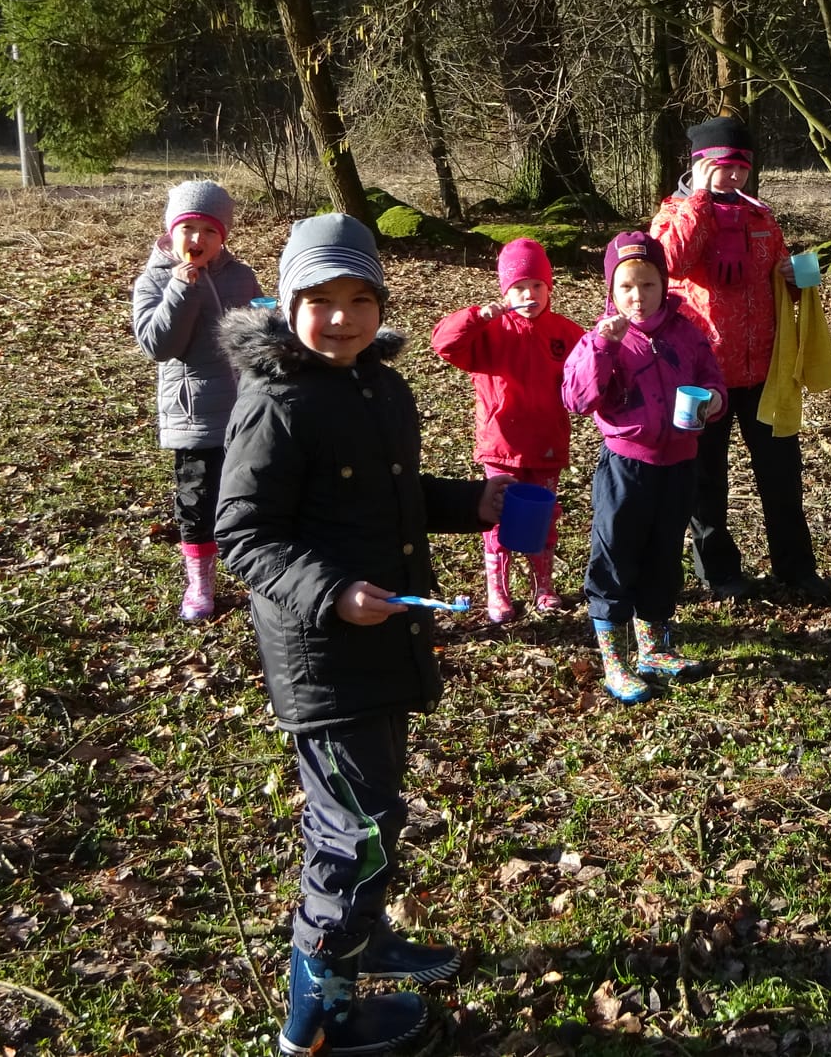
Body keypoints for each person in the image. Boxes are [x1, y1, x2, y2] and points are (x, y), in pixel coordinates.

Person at [215, 214, 511, 1056]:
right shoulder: (276, 403)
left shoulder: (380, 387)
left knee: (372, 804)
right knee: (360, 827)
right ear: (288, 304)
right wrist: (333, 592)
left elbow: (392, 495)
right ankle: (316, 1020)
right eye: (321, 300)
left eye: (359, 298)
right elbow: (244, 532)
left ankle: (364, 936)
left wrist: (470, 503)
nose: (342, 317)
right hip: (324, 655)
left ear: (381, 303)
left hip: (385, 639)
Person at [650, 116, 830, 602]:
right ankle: (720, 573)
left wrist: (796, 276)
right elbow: (669, 262)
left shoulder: (760, 216)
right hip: (700, 375)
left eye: (741, 168)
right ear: (700, 164)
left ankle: (797, 569)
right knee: (705, 480)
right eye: (723, 166)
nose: (733, 176)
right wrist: (699, 200)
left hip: (765, 371)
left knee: (782, 476)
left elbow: (787, 281)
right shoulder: (673, 213)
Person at [561, 232, 727, 704]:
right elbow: (576, 398)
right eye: (627, 287)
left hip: (679, 464)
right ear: (612, 291)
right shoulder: (602, 339)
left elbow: (711, 378)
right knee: (616, 555)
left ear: (664, 284)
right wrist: (601, 346)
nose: (638, 296)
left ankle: (653, 649)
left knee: (663, 554)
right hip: (626, 467)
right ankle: (615, 659)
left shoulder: (686, 333)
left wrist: (715, 400)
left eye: (648, 285)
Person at [431, 238, 585, 622]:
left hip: (546, 443)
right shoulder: (490, 332)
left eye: (537, 285)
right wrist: (478, 316)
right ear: (505, 292)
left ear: (549, 287)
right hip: (502, 444)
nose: (529, 295)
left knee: (543, 516)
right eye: (519, 287)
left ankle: (543, 586)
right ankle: (498, 590)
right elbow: (444, 343)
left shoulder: (565, 333)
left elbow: (589, 370)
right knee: (498, 515)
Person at [130, 179, 263, 623]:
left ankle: (260, 576)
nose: (197, 239)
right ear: (171, 232)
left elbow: (256, 336)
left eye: (209, 230)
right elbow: (158, 346)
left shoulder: (241, 276)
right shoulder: (154, 280)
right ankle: (201, 583)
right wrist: (179, 289)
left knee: (254, 494)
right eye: (188, 229)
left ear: (222, 235)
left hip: (247, 408)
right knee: (198, 501)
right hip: (196, 414)